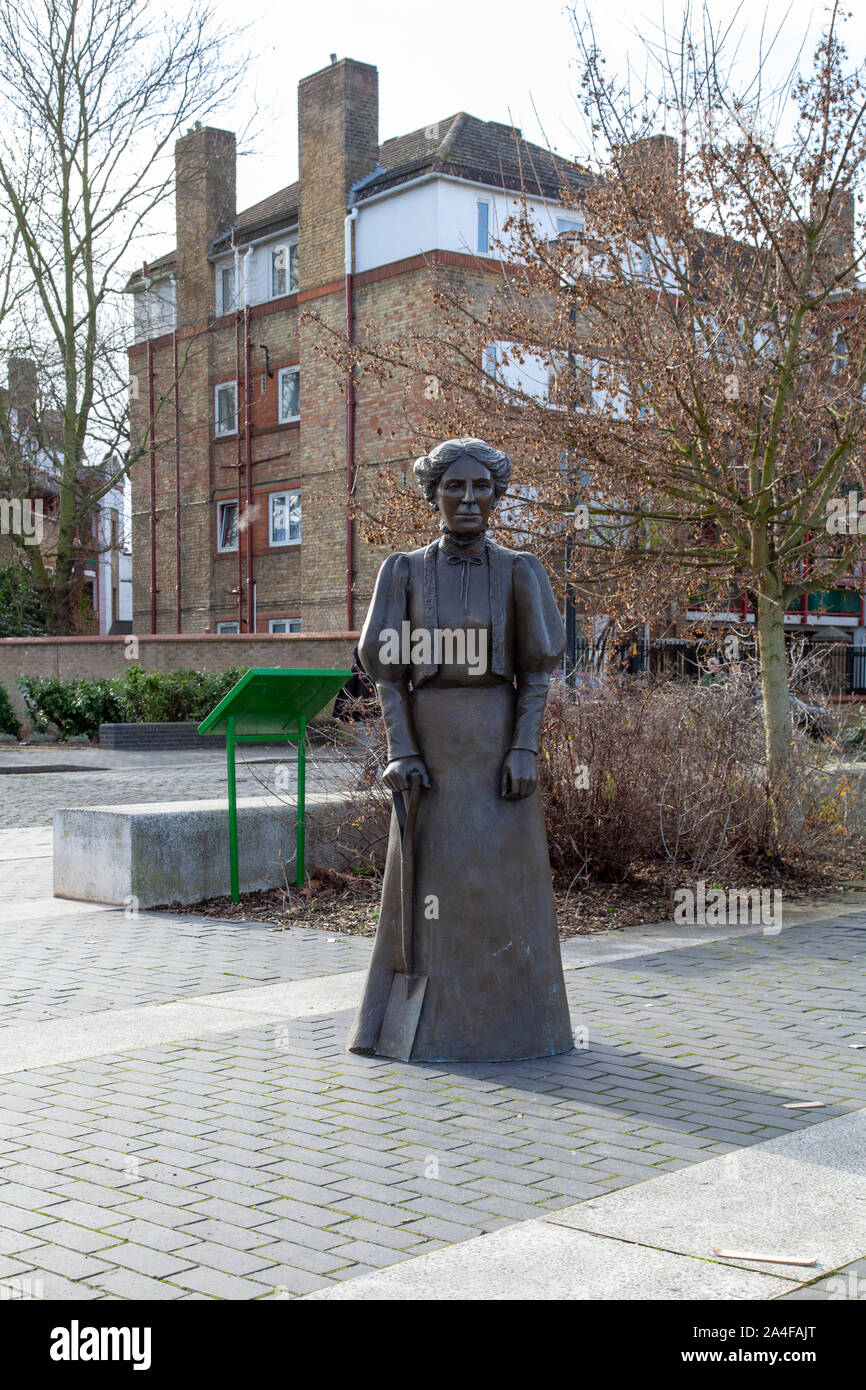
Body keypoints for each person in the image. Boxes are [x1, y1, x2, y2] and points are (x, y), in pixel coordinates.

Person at [346, 437, 573, 1063]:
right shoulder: (403, 572)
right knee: (427, 889)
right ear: (434, 494)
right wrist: (402, 750)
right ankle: (422, 1028)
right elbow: (386, 674)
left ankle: (520, 1024)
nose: (468, 499)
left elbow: (537, 675)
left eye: (481, 488)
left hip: (499, 745)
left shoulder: (520, 570)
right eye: (455, 486)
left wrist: (524, 748)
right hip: (432, 751)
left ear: (497, 497)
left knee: (506, 886)